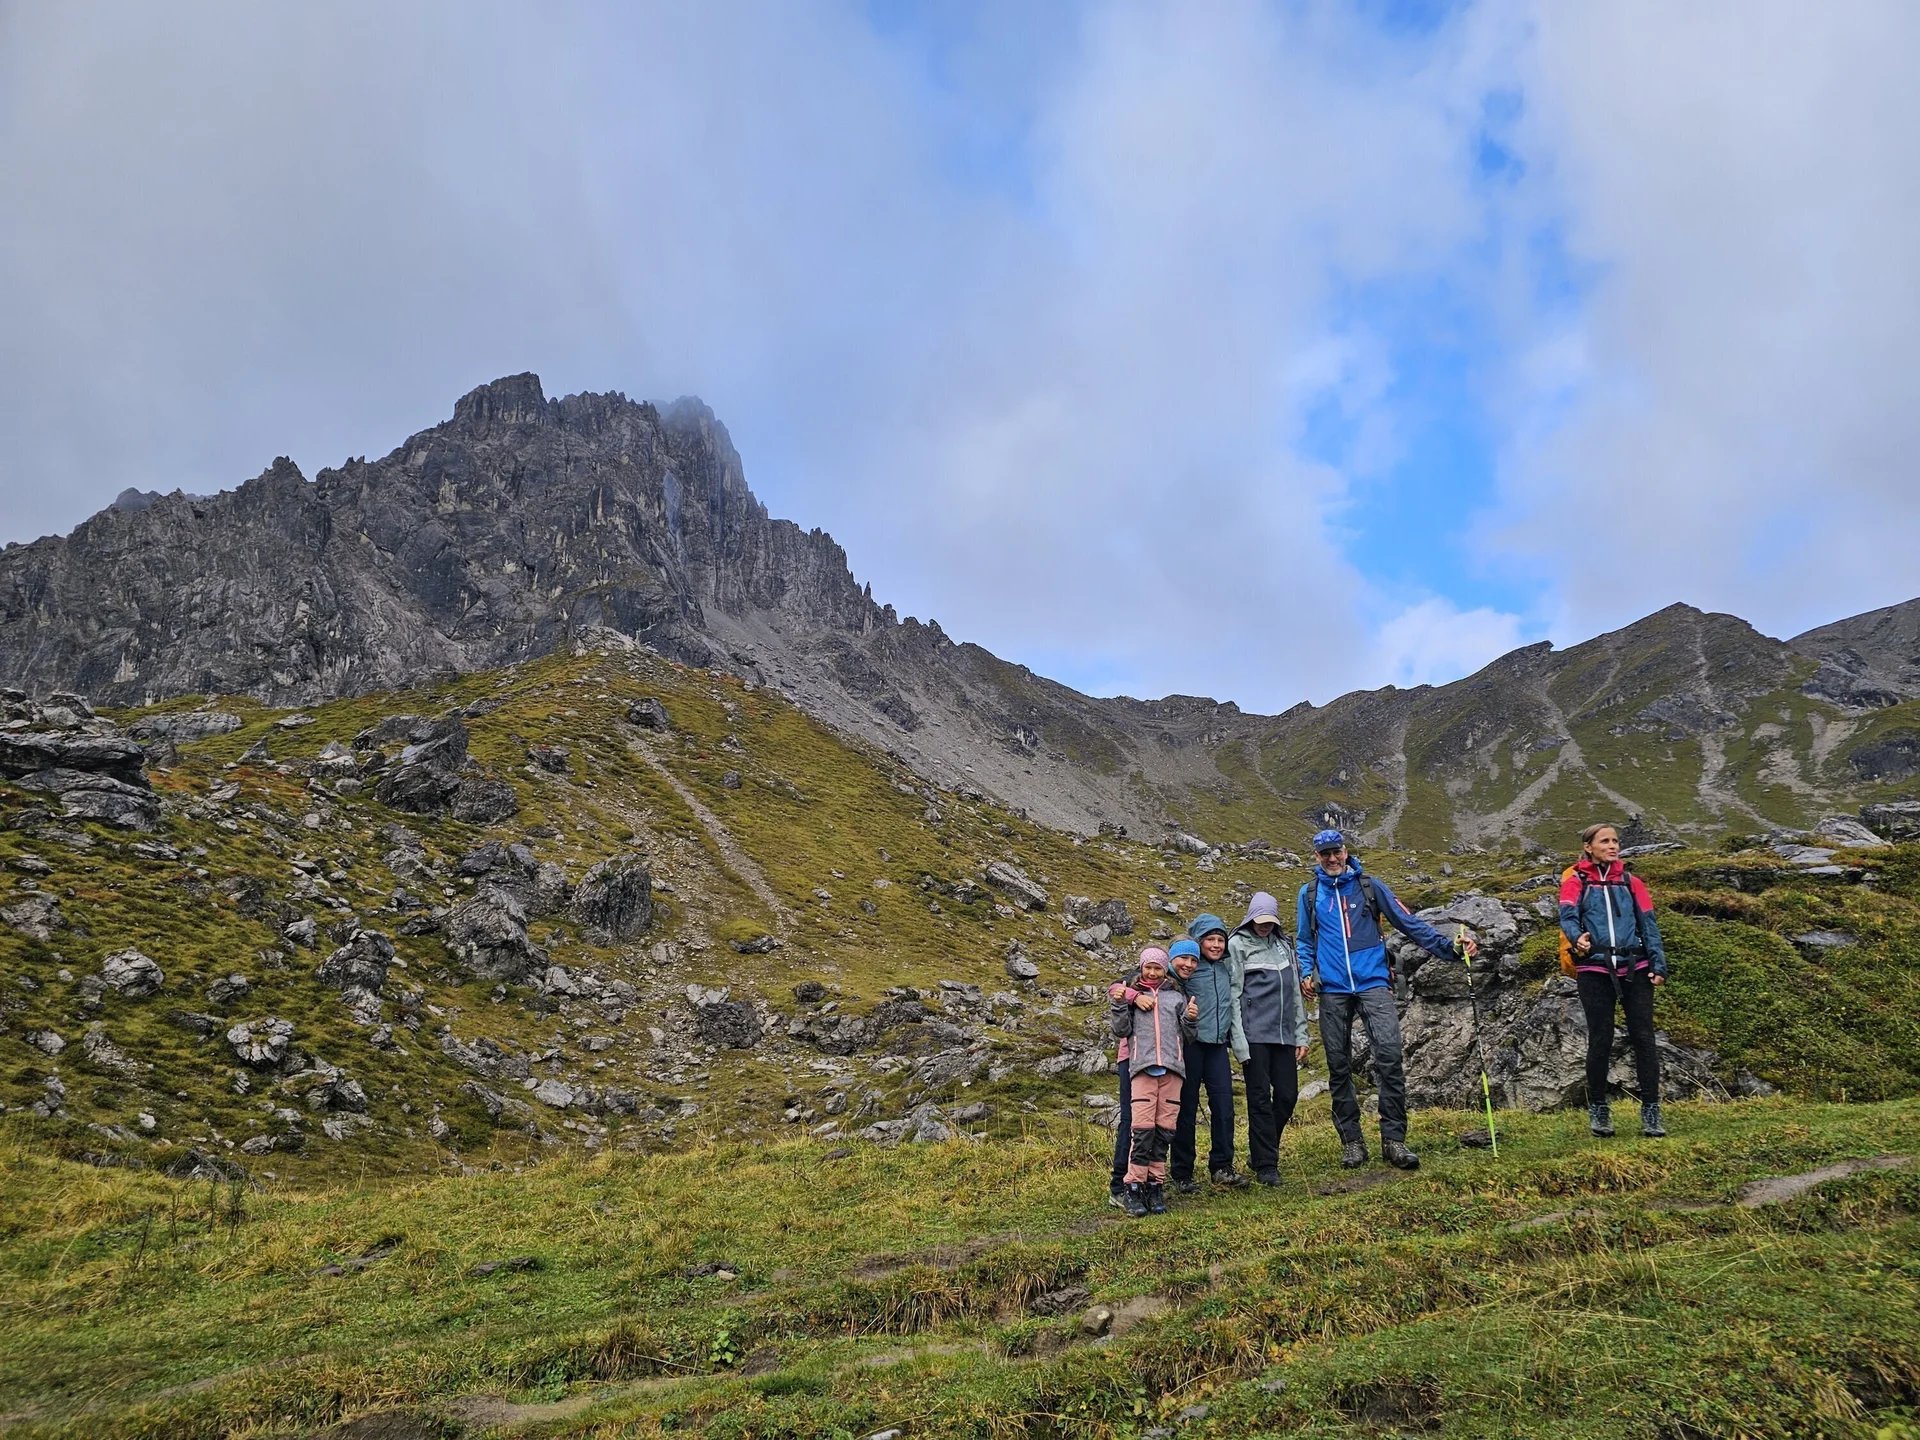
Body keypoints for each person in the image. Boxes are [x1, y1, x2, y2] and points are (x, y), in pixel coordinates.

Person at [1297, 829, 1474, 1170]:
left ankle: (1394, 1140)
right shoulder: (1309, 894)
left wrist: (1450, 949)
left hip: (1374, 983)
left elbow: (1409, 924)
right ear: (1316, 857)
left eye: (1336, 852)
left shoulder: (1370, 887)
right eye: (1324, 854)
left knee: (1390, 1057)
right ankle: (1352, 1143)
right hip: (1332, 990)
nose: (1332, 858)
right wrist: (1307, 971)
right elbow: (1304, 940)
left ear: (1345, 851)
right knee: (1338, 1066)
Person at [1560, 822, 1669, 1138]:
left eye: (1615, 841)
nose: (1612, 846)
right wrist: (1575, 938)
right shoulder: (1575, 881)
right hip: (1594, 968)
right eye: (1604, 841)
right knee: (1601, 1039)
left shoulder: (1632, 882)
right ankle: (1599, 1109)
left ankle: (1651, 1111)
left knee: (1644, 1039)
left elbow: (1648, 924)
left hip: (1636, 966)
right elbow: (1567, 916)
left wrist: (1658, 964)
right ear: (1588, 847)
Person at [1108, 946, 1198, 1216]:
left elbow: (1188, 1035)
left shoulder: (1175, 997)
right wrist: (1120, 1003)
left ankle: (1155, 1186)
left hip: (1172, 1070)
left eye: (1158, 968)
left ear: (1165, 969)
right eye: (1148, 967)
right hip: (1142, 1069)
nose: (1152, 972)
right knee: (1141, 1130)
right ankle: (1132, 1186)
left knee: (1164, 1131)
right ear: (1141, 967)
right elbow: (1121, 1030)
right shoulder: (1135, 996)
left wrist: (1192, 1019)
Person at [1228, 892, 1309, 1186]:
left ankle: (1263, 1148)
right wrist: (1239, 1042)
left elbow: (1296, 995)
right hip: (1254, 1036)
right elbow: (1234, 996)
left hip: (1284, 1035)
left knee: (1287, 1095)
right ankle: (1266, 1165)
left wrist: (1301, 1034)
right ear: (1251, 918)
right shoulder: (1237, 945)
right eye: (1260, 921)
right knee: (1260, 1098)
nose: (1264, 926)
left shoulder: (1284, 946)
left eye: (1269, 922)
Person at [1170, 919, 1250, 1191]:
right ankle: (1182, 1173)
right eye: (1210, 940)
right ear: (1198, 941)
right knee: (1186, 1109)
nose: (1216, 945)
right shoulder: (1188, 967)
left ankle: (1222, 1167)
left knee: (1224, 1106)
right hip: (1191, 1046)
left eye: (1220, 940)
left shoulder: (1226, 967)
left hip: (1217, 1046)